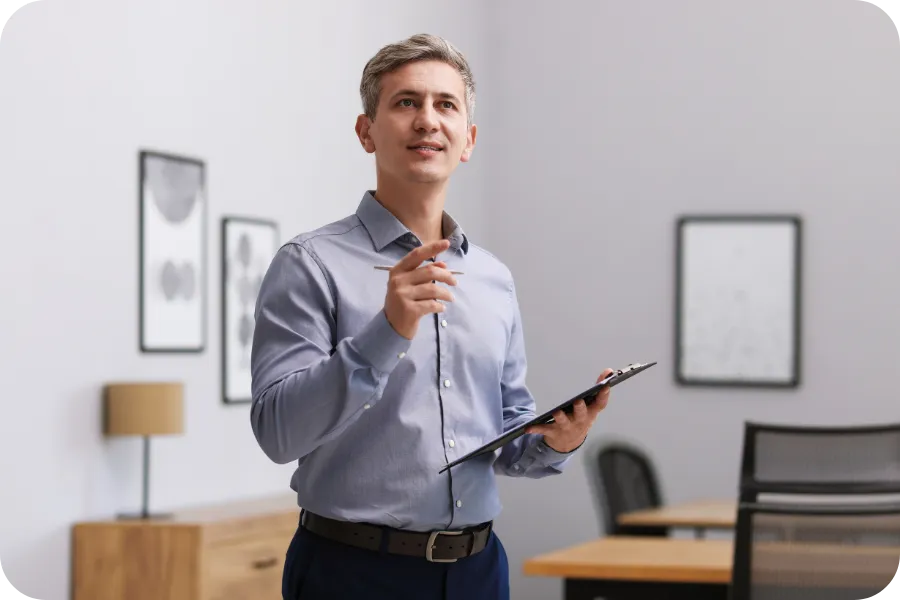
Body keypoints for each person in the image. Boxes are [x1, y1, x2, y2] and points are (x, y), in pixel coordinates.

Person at [249, 33, 614, 600]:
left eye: (446, 104)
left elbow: (509, 435)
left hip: (477, 571)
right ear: (366, 132)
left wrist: (560, 440)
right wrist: (386, 332)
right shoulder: (309, 264)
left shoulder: (493, 279)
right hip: (351, 573)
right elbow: (278, 433)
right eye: (406, 102)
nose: (427, 120)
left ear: (468, 139)